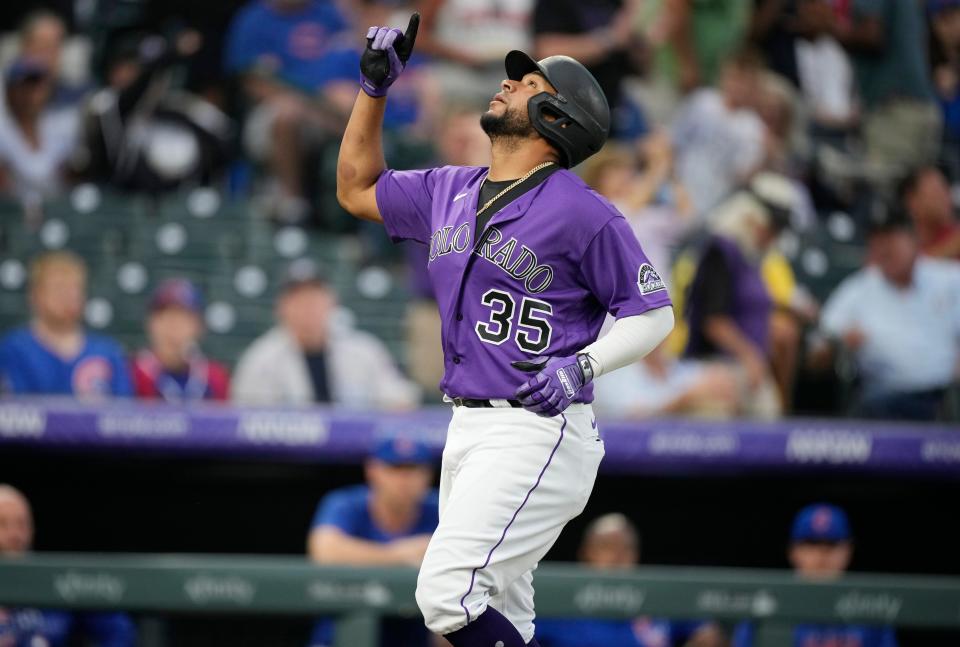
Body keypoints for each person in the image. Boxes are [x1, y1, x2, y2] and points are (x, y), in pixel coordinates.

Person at [336, 15, 675, 647]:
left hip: (536, 429)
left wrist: (585, 365)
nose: (508, 81)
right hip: (466, 424)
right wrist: (373, 91)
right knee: (502, 612)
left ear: (557, 116)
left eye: (526, 81)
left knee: (445, 594)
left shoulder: (584, 211)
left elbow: (655, 312)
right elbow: (356, 189)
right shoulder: (450, 189)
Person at [225, 0, 356, 223]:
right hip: (271, 114)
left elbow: (351, 55)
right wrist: (304, 103)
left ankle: (361, 204)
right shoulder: (253, 19)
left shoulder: (329, 13)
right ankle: (292, 203)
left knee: (350, 100)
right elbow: (252, 83)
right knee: (288, 112)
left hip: (321, 107)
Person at [818, 216, 960, 420]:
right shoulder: (860, 287)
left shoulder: (947, 278)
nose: (886, 250)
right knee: (871, 406)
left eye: (893, 240)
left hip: (947, 393)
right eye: (880, 243)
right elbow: (821, 345)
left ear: (914, 241)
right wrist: (839, 344)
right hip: (885, 394)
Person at [231, 259, 420, 408]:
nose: (308, 306)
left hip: (354, 453)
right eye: (298, 299)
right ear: (281, 307)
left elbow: (401, 399)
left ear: (332, 301)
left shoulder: (363, 351)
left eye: (315, 297)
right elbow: (247, 424)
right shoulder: (261, 359)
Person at [307, 437, 440, 647]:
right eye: (394, 468)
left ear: (427, 474)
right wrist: (403, 554)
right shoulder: (346, 503)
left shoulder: (442, 508)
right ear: (373, 471)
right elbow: (324, 552)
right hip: (341, 634)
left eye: (413, 469)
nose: (404, 479)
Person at [682, 186, 790, 419]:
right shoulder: (720, 251)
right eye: (770, 228)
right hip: (718, 365)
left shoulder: (753, 258)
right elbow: (713, 321)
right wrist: (750, 356)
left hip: (751, 368)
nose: (772, 236)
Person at [537, 514, 724, 647]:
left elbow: (707, 632)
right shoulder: (556, 602)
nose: (618, 556)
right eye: (607, 547)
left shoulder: (656, 596)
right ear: (585, 553)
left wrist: (706, 634)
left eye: (626, 548)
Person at [732, 503, 899, 647]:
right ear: (793, 551)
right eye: (811, 543)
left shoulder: (872, 606)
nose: (822, 553)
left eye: (831, 544)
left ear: (848, 551)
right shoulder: (765, 604)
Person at [0, 484, 137, 646]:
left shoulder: (52, 581)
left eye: (22, 524)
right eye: (2, 523)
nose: (14, 534)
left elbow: (119, 630)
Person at [0, 251, 132, 398]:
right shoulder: (14, 349)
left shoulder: (107, 352)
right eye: (59, 287)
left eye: (75, 288)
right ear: (35, 295)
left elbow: (122, 412)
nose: (69, 296)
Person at [671, 48, 768, 217]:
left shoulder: (754, 128)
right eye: (733, 77)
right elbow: (674, 141)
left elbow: (743, 175)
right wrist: (673, 183)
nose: (737, 86)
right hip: (677, 192)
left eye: (744, 81)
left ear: (754, 86)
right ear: (723, 76)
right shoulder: (702, 102)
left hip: (714, 205)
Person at [0, 55, 80, 216]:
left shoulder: (60, 126)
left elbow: (71, 180)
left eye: (37, 86)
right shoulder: (3, 132)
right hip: (14, 221)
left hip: (57, 216)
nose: (32, 94)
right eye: (25, 86)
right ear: (10, 91)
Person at [131, 279, 230, 402]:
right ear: (150, 323)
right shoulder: (133, 374)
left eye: (182, 320)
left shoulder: (214, 377)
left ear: (199, 326)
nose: (173, 328)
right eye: (164, 318)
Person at [900, 164, 960, 260]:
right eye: (936, 192)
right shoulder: (901, 248)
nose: (946, 198)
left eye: (946, 190)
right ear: (912, 201)